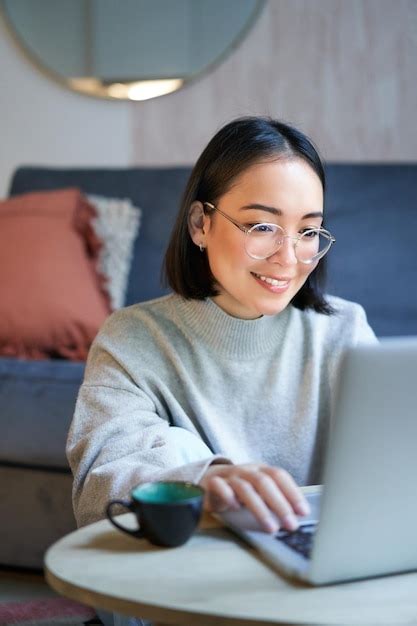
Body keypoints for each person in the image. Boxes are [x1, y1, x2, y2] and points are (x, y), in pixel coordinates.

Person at [66, 116, 376, 626]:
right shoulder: (131, 340)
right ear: (200, 225)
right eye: (261, 226)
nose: (288, 257)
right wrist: (207, 480)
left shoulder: (344, 331)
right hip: (189, 585)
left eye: (307, 231)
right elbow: (101, 486)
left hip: (315, 587)